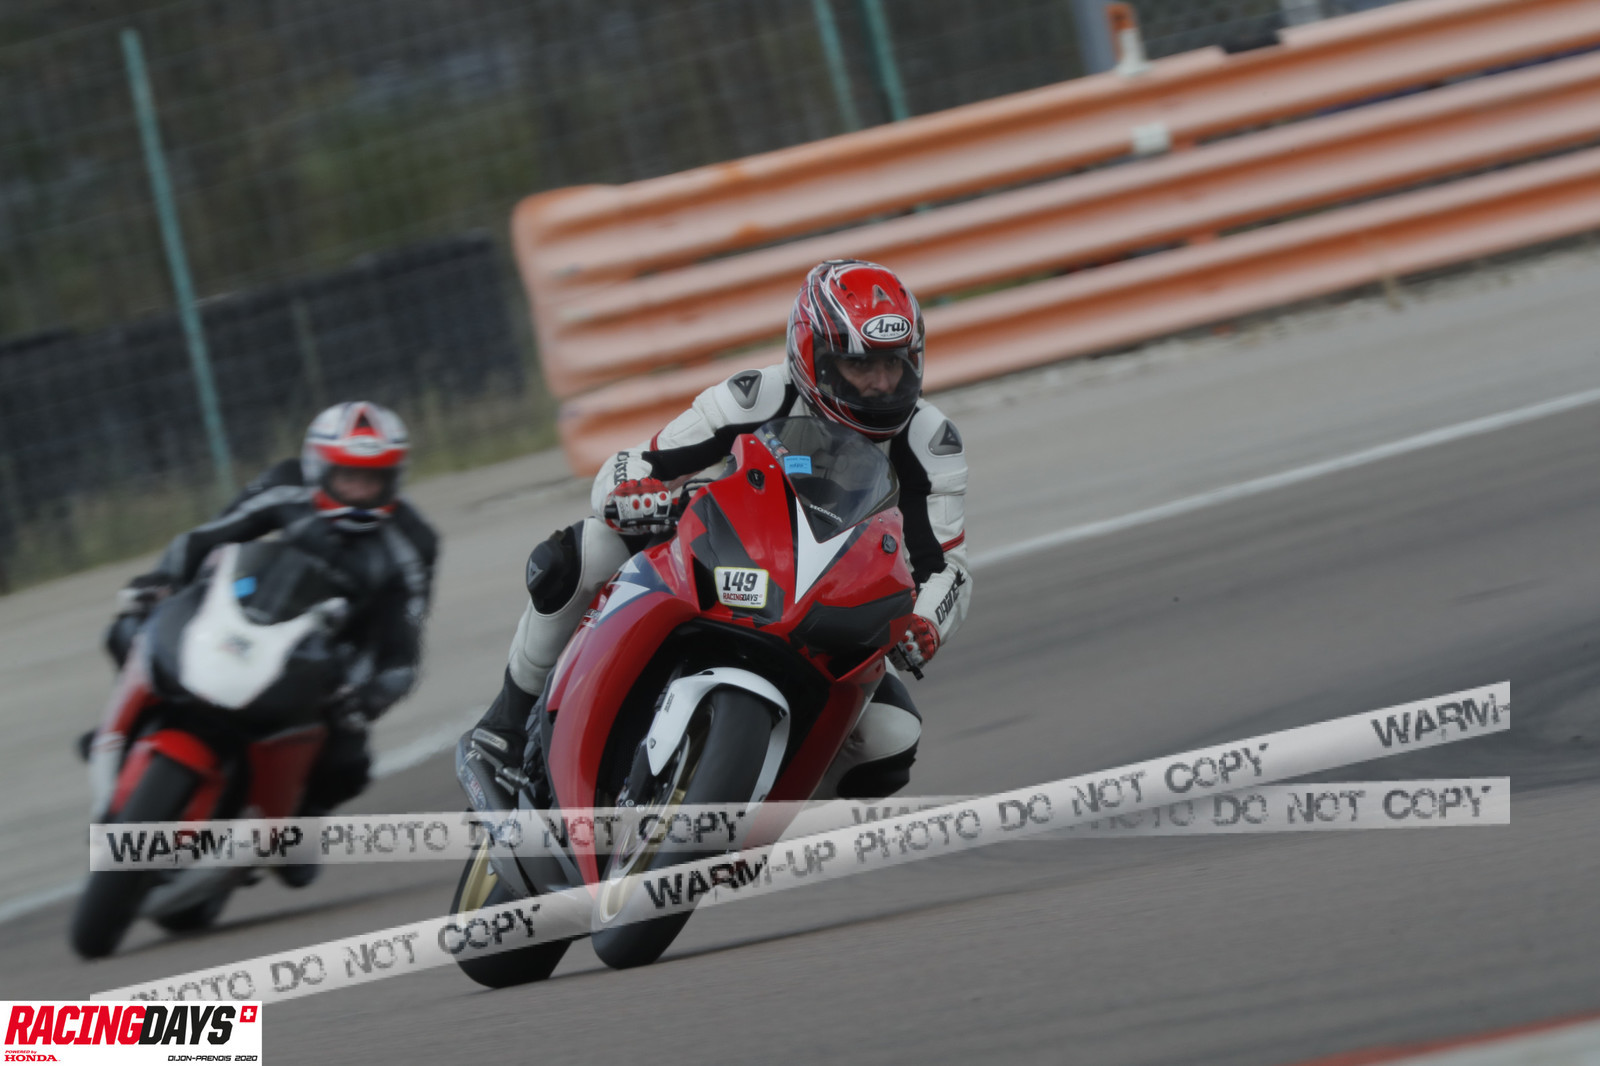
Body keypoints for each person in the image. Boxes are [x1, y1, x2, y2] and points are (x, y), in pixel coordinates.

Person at [463, 259, 971, 808]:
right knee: (580, 553)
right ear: (815, 357)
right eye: (861, 364)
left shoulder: (929, 441)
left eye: (894, 363)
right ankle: (506, 724)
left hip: (831, 605)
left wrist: (925, 623)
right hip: (720, 556)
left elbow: (946, 567)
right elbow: (635, 461)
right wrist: (634, 493)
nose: (882, 383)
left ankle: (760, 820)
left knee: (892, 739)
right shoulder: (755, 396)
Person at [102, 401, 438, 883]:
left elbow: (404, 638)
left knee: (349, 761)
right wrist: (161, 579)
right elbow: (210, 536)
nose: (361, 492)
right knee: (128, 631)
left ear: (394, 479)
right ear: (319, 468)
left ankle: (300, 823)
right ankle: (129, 729)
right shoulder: (286, 484)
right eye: (348, 477)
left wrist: (369, 694)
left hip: (329, 654)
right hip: (245, 614)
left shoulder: (413, 541)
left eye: (374, 480)